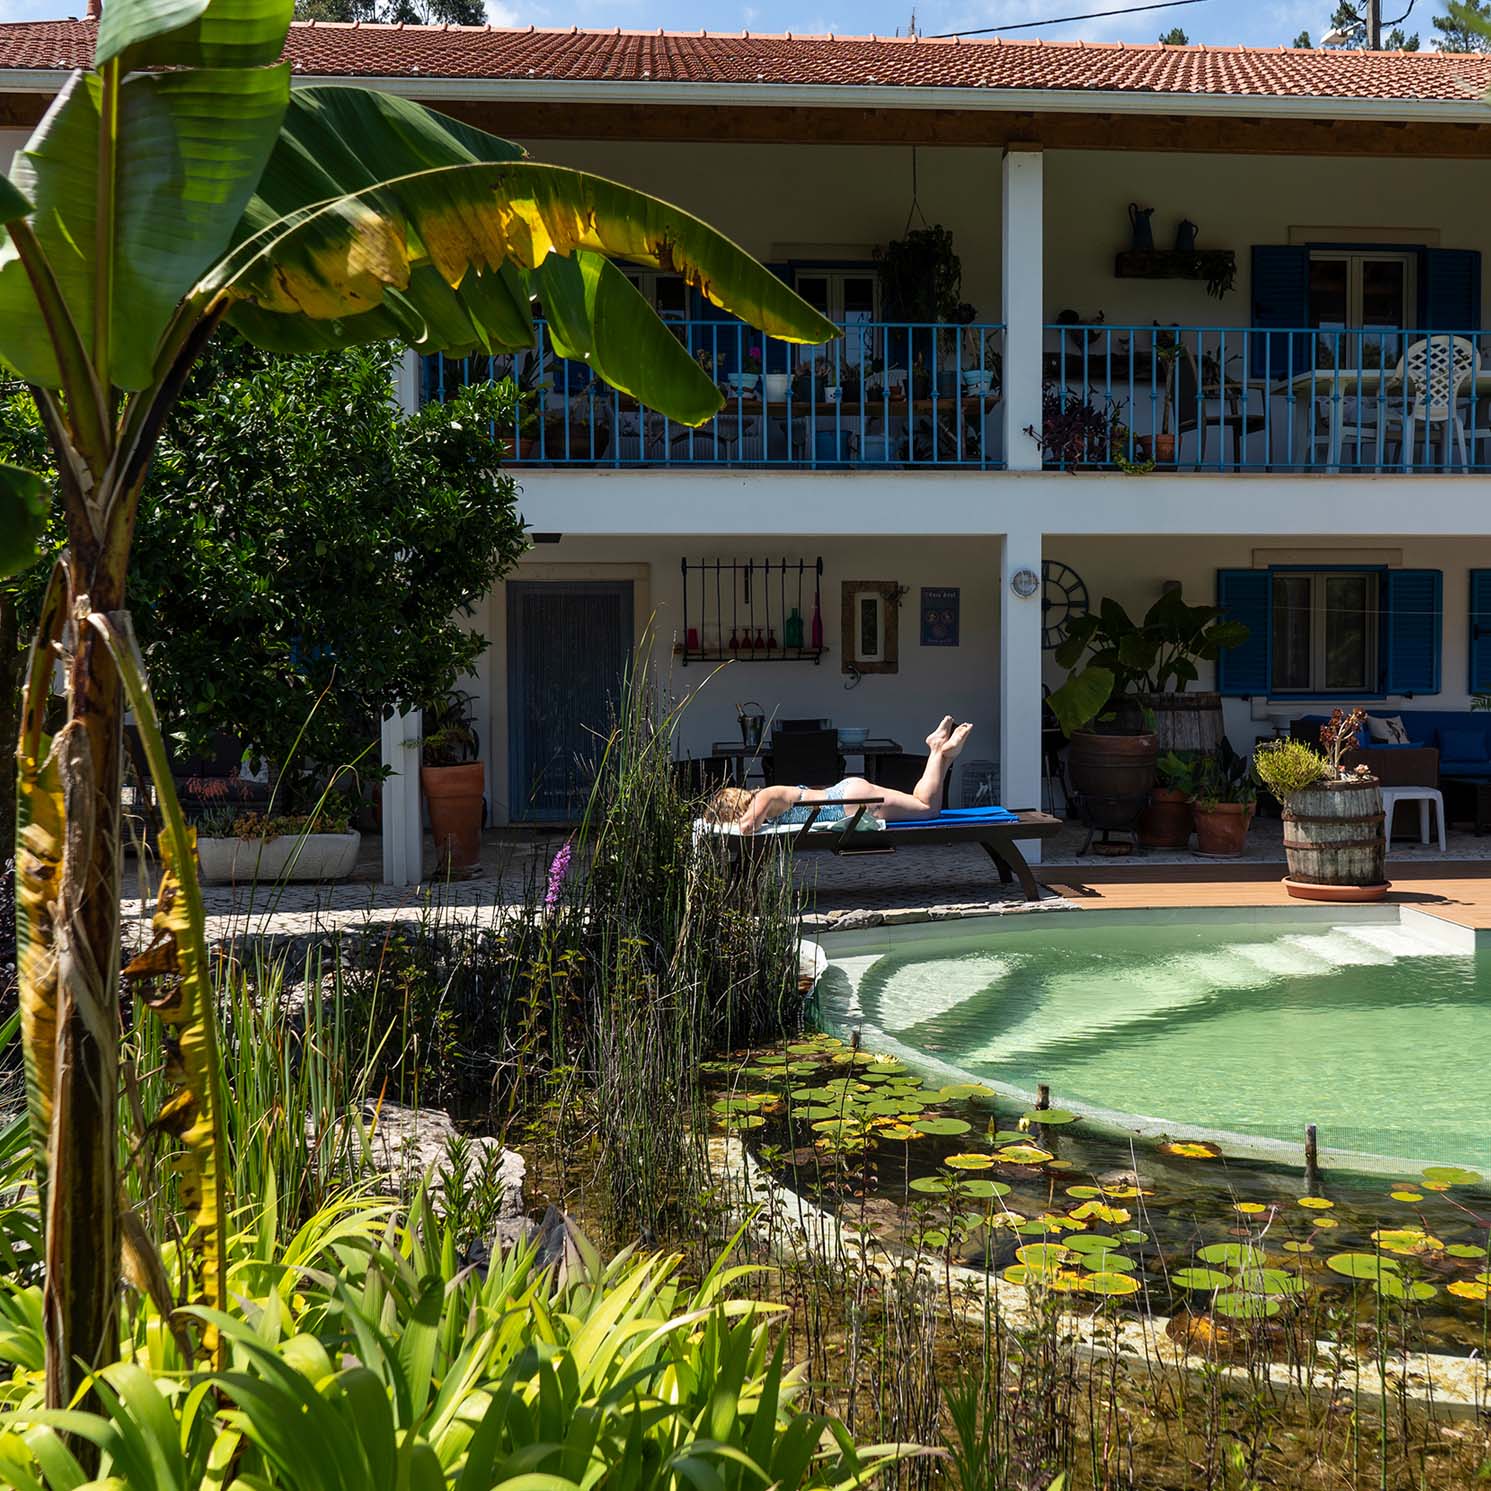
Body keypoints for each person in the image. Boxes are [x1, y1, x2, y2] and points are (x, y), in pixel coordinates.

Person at [703, 715, 972, 834]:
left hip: (849, 803)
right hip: (847, 796)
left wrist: (724, 828)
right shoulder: (766, 801)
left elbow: (748, 827)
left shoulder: (764, 797)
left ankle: (936, 749)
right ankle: (944, 754)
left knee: (927, 810)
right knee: (922, 803)